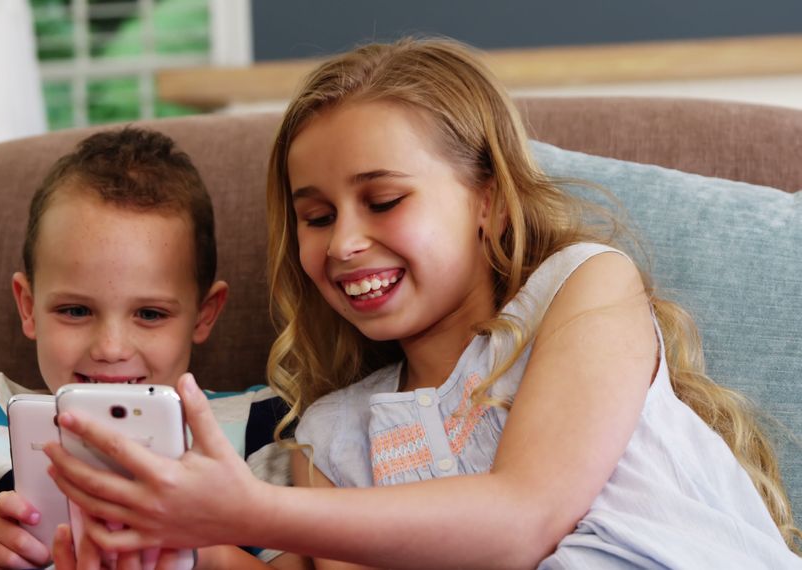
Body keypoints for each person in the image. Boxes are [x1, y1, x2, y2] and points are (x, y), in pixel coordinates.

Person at [41, 38, 802, 568]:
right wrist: (169, 542)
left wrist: (243, 510)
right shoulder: (334, 437)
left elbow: (522, 519)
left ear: (490, 200)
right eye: (316, 216)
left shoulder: (580, 291)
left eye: (383, 199)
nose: (342, 243)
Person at [0, 127, 304, 569]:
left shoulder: (258, 427)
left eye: (149, 314)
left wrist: (199, 553)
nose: (110, 348)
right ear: (29, 307)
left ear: (205, 314)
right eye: (75, 311)